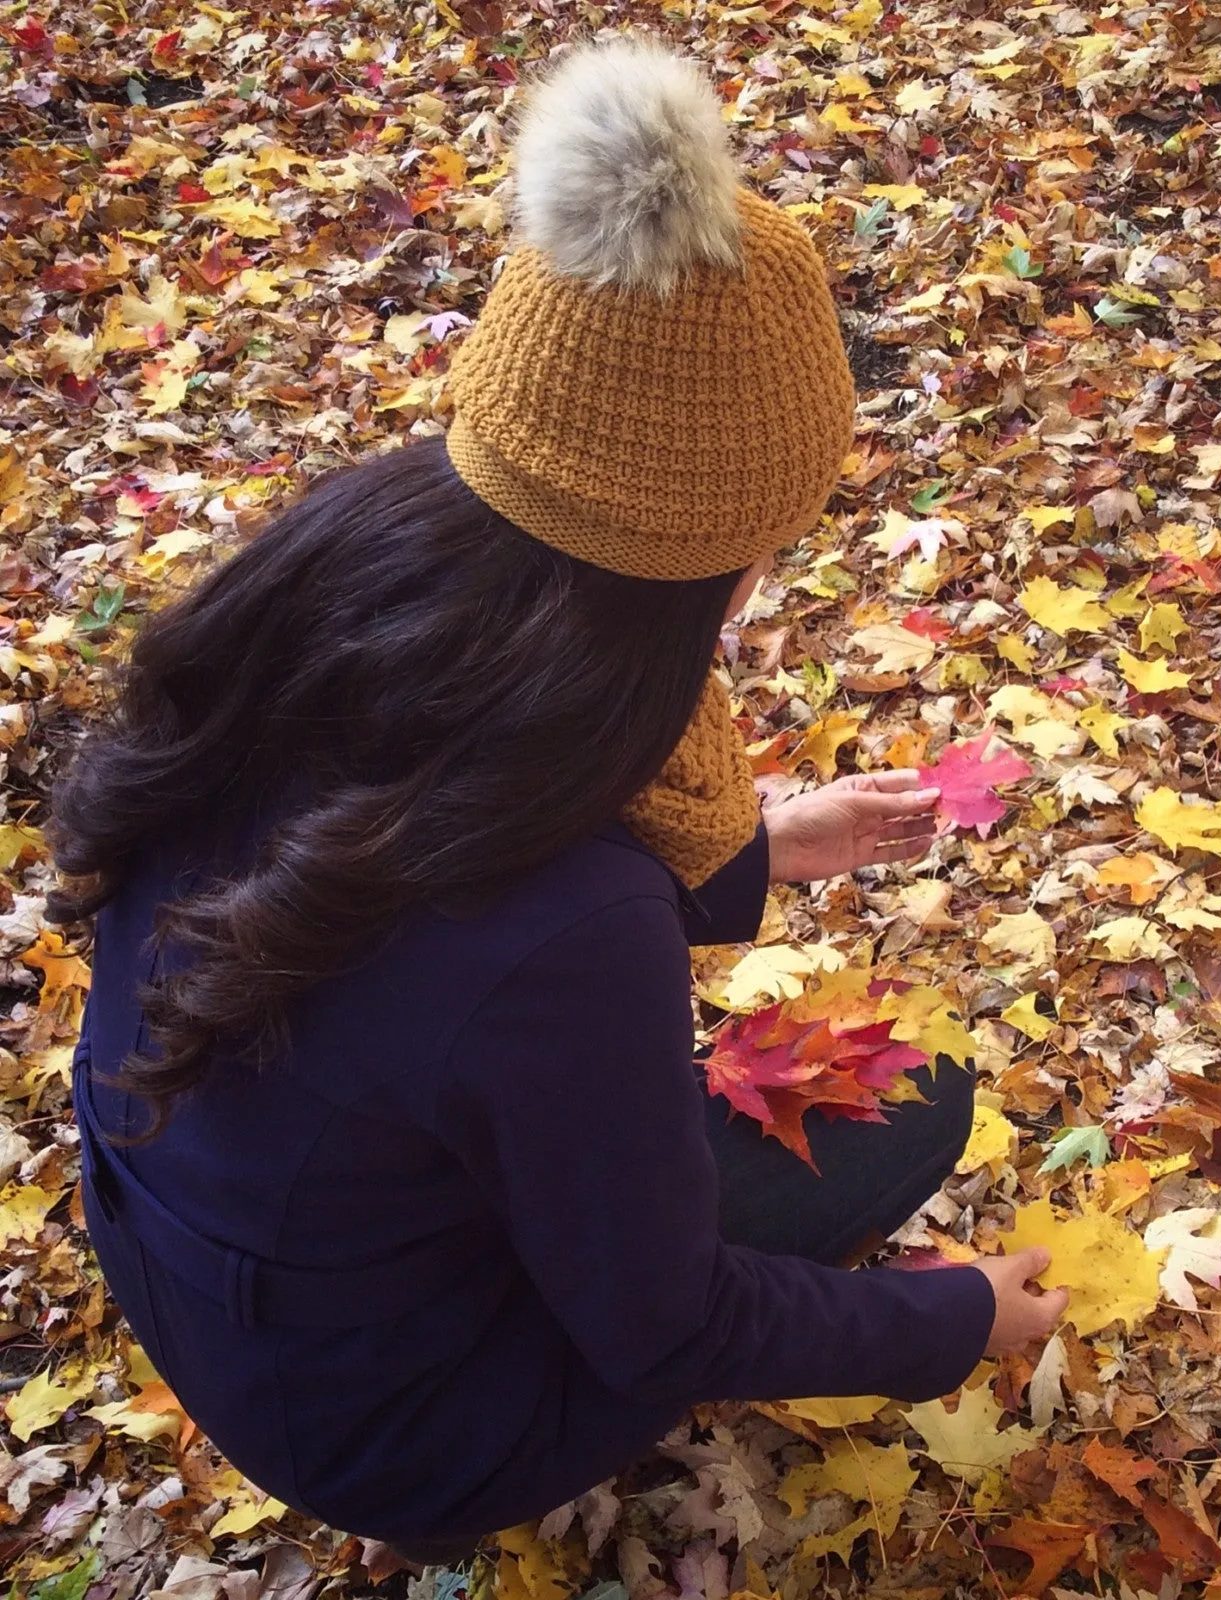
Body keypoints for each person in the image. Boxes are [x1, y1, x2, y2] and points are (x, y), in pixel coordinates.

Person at [49, 37, 1067, 1562]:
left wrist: (769, 842)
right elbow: (664, 1326)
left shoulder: (352, 560)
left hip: (196, 1264)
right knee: (916, 1102)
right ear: (714, 550)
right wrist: (947, 1320)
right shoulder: (561, 925)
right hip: (388, 1429)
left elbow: (406, 947)